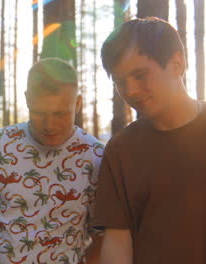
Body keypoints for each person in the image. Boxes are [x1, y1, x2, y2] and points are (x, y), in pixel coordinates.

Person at [0, 58, 105, 264]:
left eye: (60, 114)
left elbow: (102, 237)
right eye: (39, 113)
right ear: (27, 100)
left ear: (78, 103)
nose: (50, 125)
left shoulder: (97, 157)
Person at [94, 17, 205, 264]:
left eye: (140, 75)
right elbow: (117, 241)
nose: (130, 91)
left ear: (177, 64)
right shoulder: (121, 150)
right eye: (120, 82)